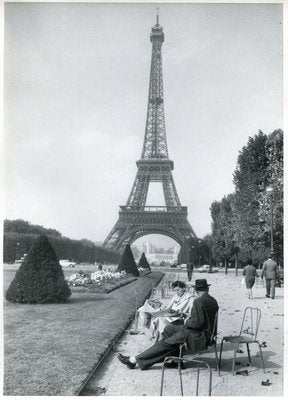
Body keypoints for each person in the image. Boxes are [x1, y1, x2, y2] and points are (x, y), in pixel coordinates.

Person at [117, 279, 219, 370]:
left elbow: (196, 323)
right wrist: (188, 319)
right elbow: (203, 320)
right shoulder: (213, 301)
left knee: (165, 343)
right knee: (168, 328)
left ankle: (133, 360)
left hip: (197, 335)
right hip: (205, 333)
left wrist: (186, 321)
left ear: (196, 290)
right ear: (207, 289)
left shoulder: (198, 301)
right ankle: (175, 361)